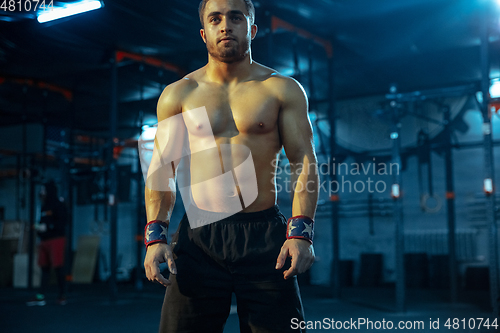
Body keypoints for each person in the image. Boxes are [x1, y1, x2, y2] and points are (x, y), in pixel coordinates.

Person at [143, 0, 319, 331]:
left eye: (236, 17)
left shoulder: (281, 89)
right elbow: (162, 171)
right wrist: (155, 237)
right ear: (204, 32)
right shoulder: (179, 94)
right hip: (198, 241)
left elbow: (304, 161)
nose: (226, 25)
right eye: (216, 19)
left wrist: (301, 233)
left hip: (265, 238)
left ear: (251, 29)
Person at [27, 180, 68, 306]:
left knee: (58, 267)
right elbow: (42, 222)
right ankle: (40, 296)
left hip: (56, 239)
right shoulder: (44, 206)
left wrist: (48, 227)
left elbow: (62, 223)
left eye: (43, 190)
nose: (41, 192)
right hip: (45, 241)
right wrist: (39, 229)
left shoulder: (58, 205)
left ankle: (62, 295)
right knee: (44, 268)